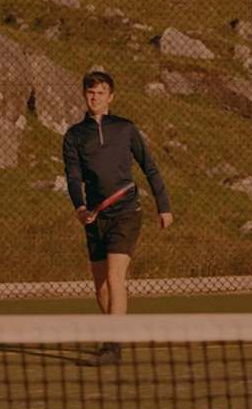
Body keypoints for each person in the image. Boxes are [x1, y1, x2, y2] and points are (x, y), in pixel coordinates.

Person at [62, 71, 173, 351]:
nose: (95, 97)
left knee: (115, 277)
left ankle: (113, 343)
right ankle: (115, 327)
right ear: (84, 95)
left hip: (126, 211)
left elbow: (149, 167)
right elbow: (73, 177)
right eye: (91, 92)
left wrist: (164, 206)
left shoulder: (125, 129)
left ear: (111, 96)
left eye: (101, 92)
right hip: (95, 217)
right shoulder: (74, 136)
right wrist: (81, 207)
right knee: (101, 287)